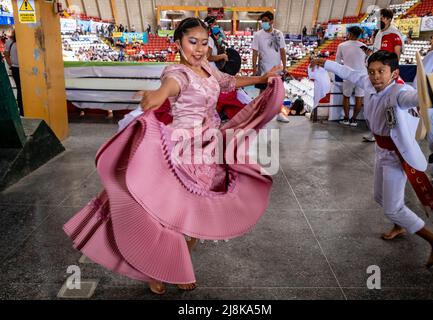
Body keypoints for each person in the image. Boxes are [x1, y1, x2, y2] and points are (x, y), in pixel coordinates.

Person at [63, 17, 284, 295]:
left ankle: (178, 265)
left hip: (209, 150)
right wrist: (158, 95)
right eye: (193, 42)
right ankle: (156, 269)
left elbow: (228, 81)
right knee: (168, 220)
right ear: (178, 43)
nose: (200, 49)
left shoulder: (206, 67)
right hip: (181, 152)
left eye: (204, 43)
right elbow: (170, 85)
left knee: (194, 218)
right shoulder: (176, 71)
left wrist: (262, 78)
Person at [310, 51, 433, 268]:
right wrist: (325, 62)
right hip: (381, 150)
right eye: (372, 71)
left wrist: (429, 95)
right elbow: (348, 73)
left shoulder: (400, 92)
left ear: (394, 73)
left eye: (381, 72)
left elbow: (414, 98)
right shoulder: (368, 83)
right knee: (378, 196)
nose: (375, 76)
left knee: (392, 207)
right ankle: (400, 224)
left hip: (396, 154)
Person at [363, 8, 404, 142]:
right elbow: (377, 53)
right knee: (374, 104)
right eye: (378, 17)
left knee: (387, 105)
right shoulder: (379, 34)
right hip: (376, 73)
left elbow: (396, 57)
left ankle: (389, 133)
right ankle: (375, 131)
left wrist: (391, 74)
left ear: (388, 19)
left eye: (381, 17)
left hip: (387, 76)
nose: (379, 20)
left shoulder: (394, 34)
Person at [252, 11, 289, 123]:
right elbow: (254, 53)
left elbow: (282, 51)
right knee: (262, 92)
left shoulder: (279, 34)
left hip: (277, 69)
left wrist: (284, 66)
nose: (264, 23)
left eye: (266, 21)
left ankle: (279, 114)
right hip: (263, 69)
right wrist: (254, 69)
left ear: (272, 21)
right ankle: (259, 114)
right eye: (262, 21)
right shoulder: (258, 35)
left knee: (278, 93)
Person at [335, 26, 366, 127]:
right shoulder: (364, 46)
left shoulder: (342, 45)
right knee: (359, 98)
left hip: (348, 74)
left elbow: (338, 62)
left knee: (346, 96)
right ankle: (354, 120)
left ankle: (346, 118)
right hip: (362, 74)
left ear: (350, 34)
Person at [4, 29, 23, 116]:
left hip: (25, 68)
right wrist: (11, 64)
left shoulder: (24, 41)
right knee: (20, 88)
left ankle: (23, 108)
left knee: (23, 89)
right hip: (16, 68)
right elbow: (6, 55)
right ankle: (21, 109)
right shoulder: (9, 42)